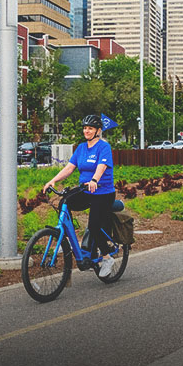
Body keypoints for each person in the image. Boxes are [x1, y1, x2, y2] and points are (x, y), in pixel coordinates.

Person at [43, 114, 116, 277]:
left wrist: (95, 179)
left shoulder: (104, 147)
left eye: (90, 128)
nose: (86, 131)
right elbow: (69, 168)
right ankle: (66, 239)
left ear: (98, 130)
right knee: (64, 202)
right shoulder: (81, 148)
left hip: (103, 192)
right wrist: (53, 180)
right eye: (85, 128)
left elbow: (102, 166)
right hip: (86, 190)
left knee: (94, 226)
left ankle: (107, 258)